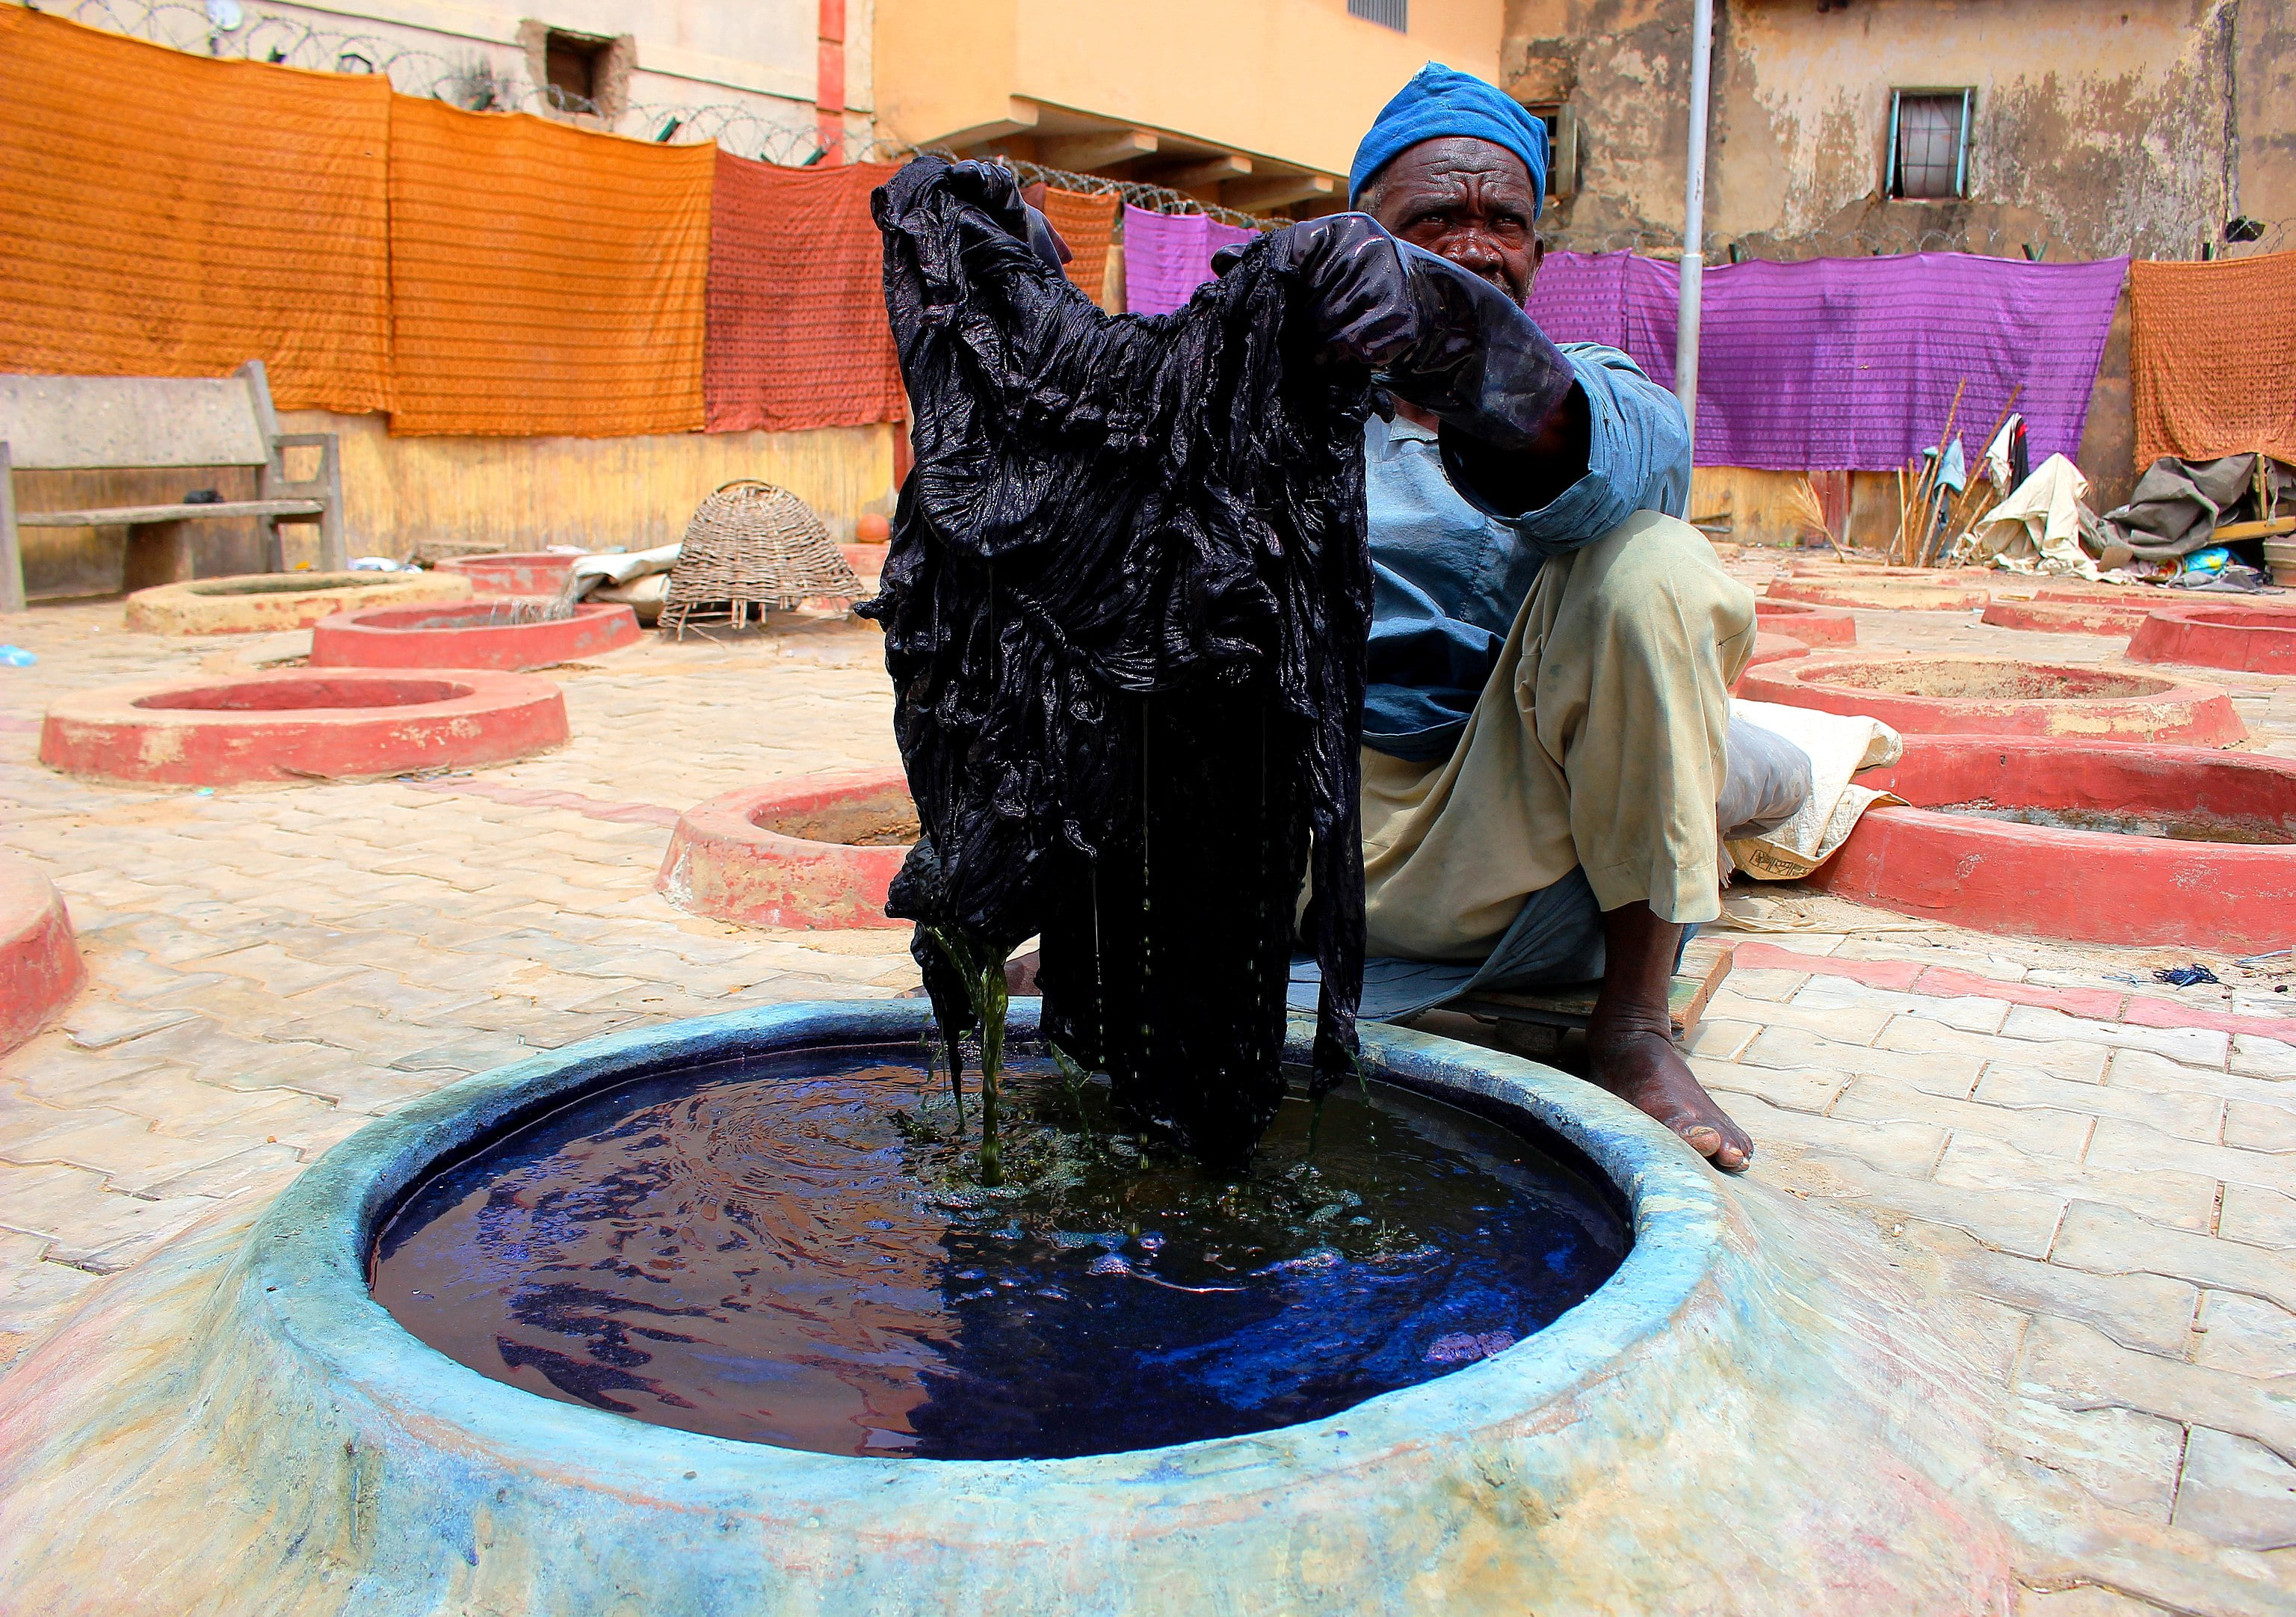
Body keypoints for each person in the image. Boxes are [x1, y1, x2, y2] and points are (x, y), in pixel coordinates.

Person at [1283, 63, 1759, 1171]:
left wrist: (1475, 365)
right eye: (1433, 220)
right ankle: (1117, 930)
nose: (1476, 246)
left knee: (1657, 567)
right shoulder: (1289, 407)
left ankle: (1632, 1030)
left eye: (1504, 221)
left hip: (1512, 846)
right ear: (1365, 234)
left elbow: (1616, 456)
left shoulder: (1595, 390)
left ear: (1539, 251)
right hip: (1297, 841)